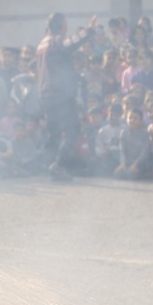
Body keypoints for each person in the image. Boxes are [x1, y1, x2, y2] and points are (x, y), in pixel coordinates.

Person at [36, 12, 91, 180]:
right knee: (72, 130)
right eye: (66, 24)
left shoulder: (41, 44)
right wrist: (89, 31)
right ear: (62, 26)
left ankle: (48, 165)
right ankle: (58, 165)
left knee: (54, 133)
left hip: (46, 94)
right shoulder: (55, 40)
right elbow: (71, 44)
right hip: (60, 94)